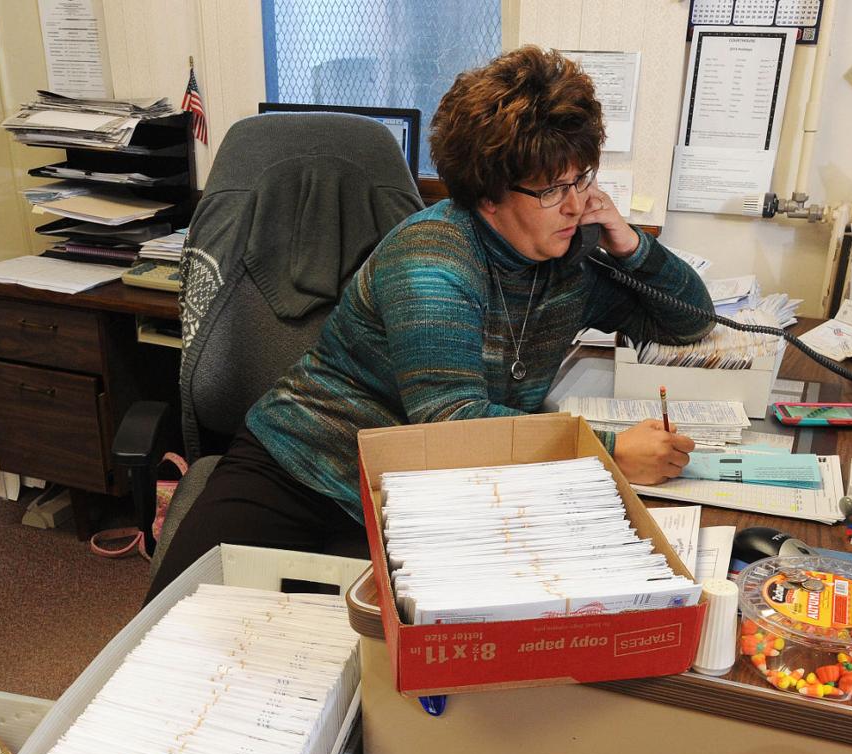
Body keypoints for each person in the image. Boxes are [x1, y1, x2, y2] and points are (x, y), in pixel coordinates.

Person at [147, 47, 714, 599]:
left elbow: (690, 321)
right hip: (303, 466)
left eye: (581, 179)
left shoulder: (569, 258)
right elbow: (452, 421)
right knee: (180, 626)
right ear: (488, 194)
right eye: (551, 189)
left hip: (424, 490)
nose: (575, 204)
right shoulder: (433, 259)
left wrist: (632, 243)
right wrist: (610, 453)